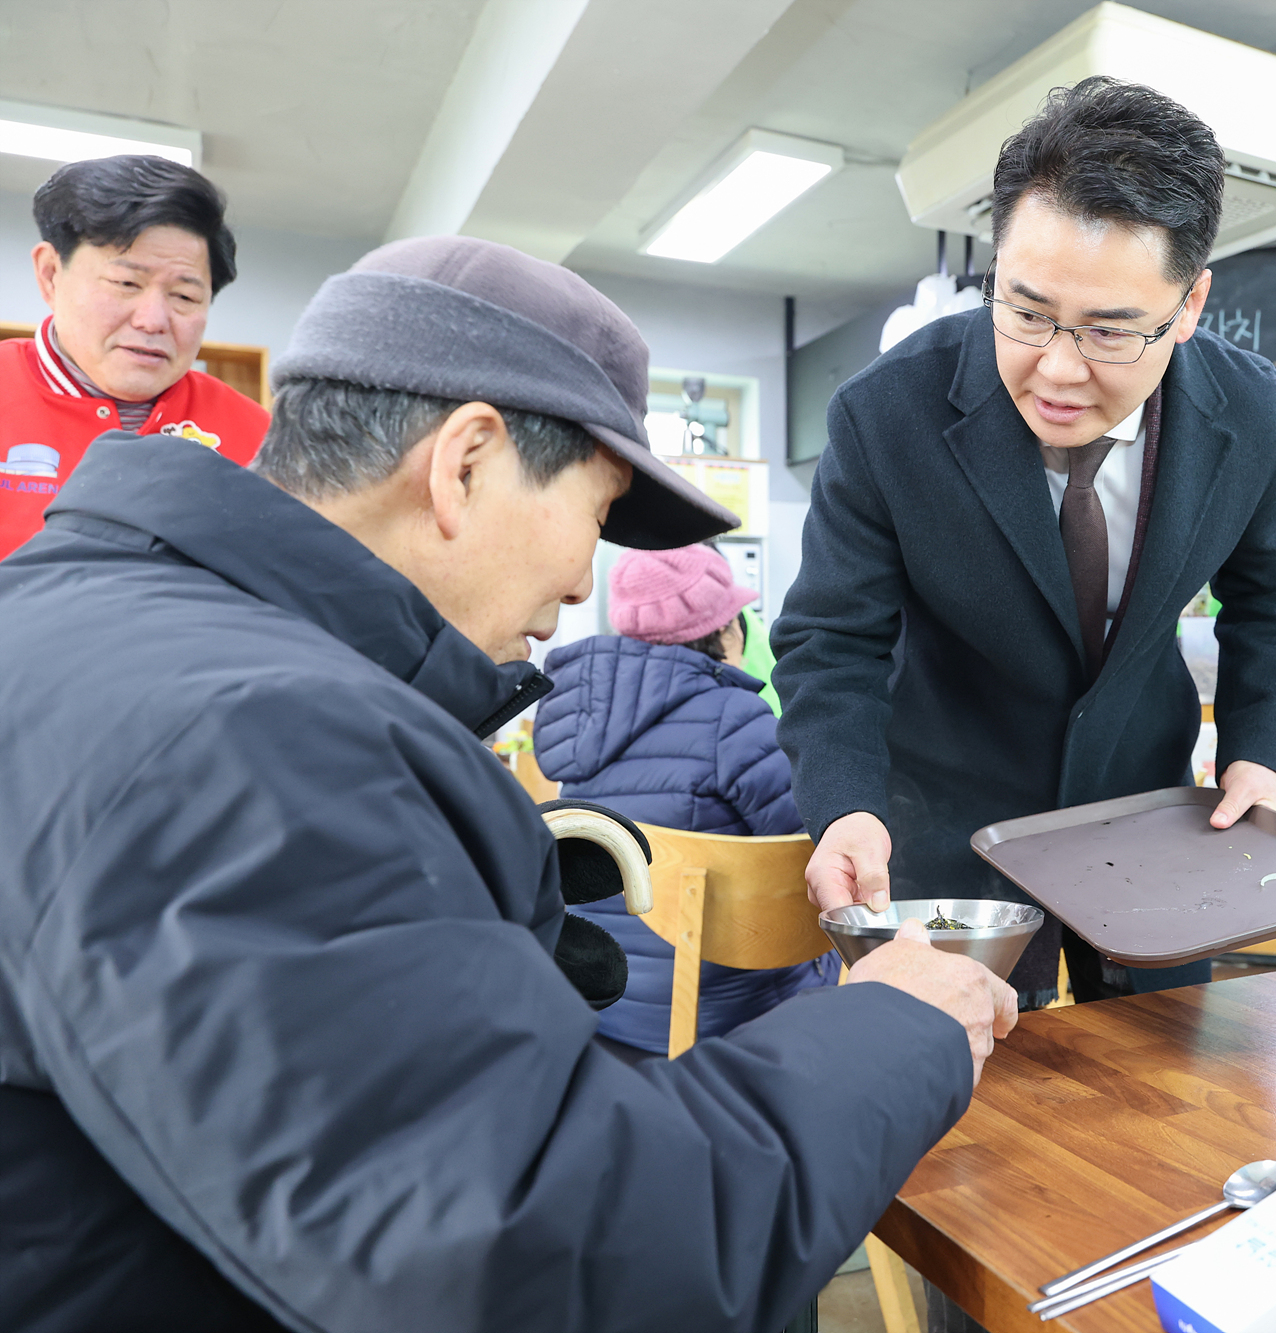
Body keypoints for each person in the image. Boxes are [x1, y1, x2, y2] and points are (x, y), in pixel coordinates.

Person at [0, 235, 1016, 1333]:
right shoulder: (266, 736)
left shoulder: (73, 617)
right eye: (592, 512)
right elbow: (540, 1258)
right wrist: (891, 1028)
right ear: (466, 460)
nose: (585, 580)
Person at [773, 76, 1276, 1012]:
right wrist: (844, 804)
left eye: (1111, 332)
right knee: (962, 1123)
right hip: (945, 829)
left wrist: (1258, 756)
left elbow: (1273, 600)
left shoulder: (1251, 413)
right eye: (1025, 312)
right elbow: (832, 640)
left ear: (1189, 306)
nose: (1059, 370)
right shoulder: (885, 414)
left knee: (1165, 1101)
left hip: (1147, 822)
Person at [535, 543, 837, 1052]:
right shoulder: (737, 722)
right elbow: (809, 859)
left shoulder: (580, 721)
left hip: (605, 1005)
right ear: (725, 629)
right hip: (731, 1014)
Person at [2, 154, 267, 559]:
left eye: (184, 296)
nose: (152, 321)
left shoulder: (261, 440)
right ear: (51, 274)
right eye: (126, 283)